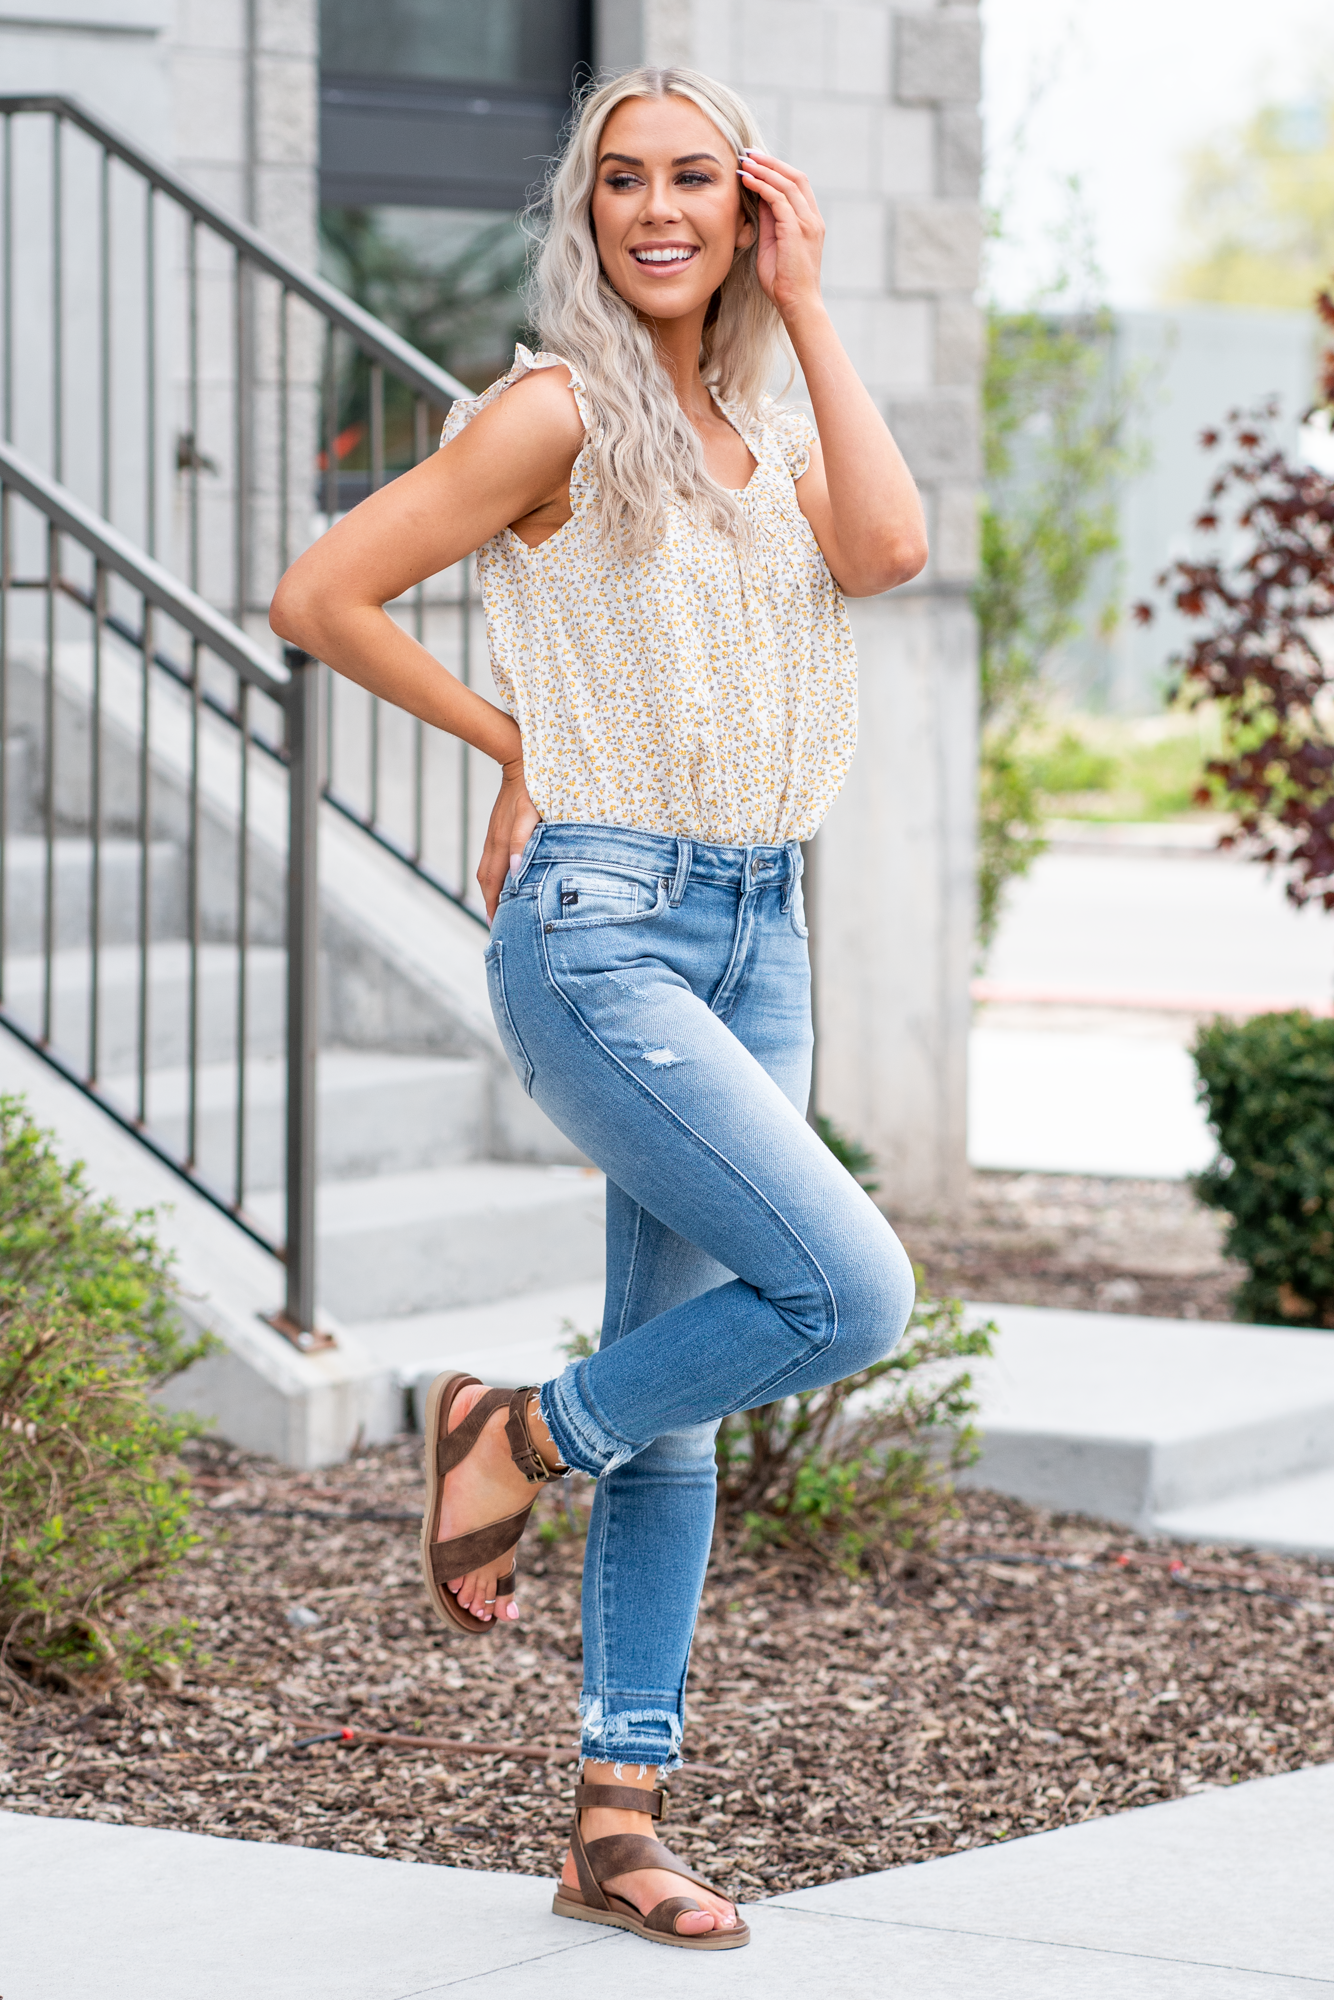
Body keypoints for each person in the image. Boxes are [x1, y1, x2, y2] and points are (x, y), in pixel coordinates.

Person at [271, 63, 925, 1954]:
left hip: (759, 927)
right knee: (847, 1294)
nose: (655, 210)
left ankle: (613, 1828)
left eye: (694, 180)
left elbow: (887, 556)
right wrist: (520, 747)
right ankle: (516, 1432)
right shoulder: (555, 409)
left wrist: (811, 302)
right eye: (621, 180)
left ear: (747, 209)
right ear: (587, 213)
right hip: (604, 928)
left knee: (684, 1401)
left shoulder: (769, 432)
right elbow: (324, 593)